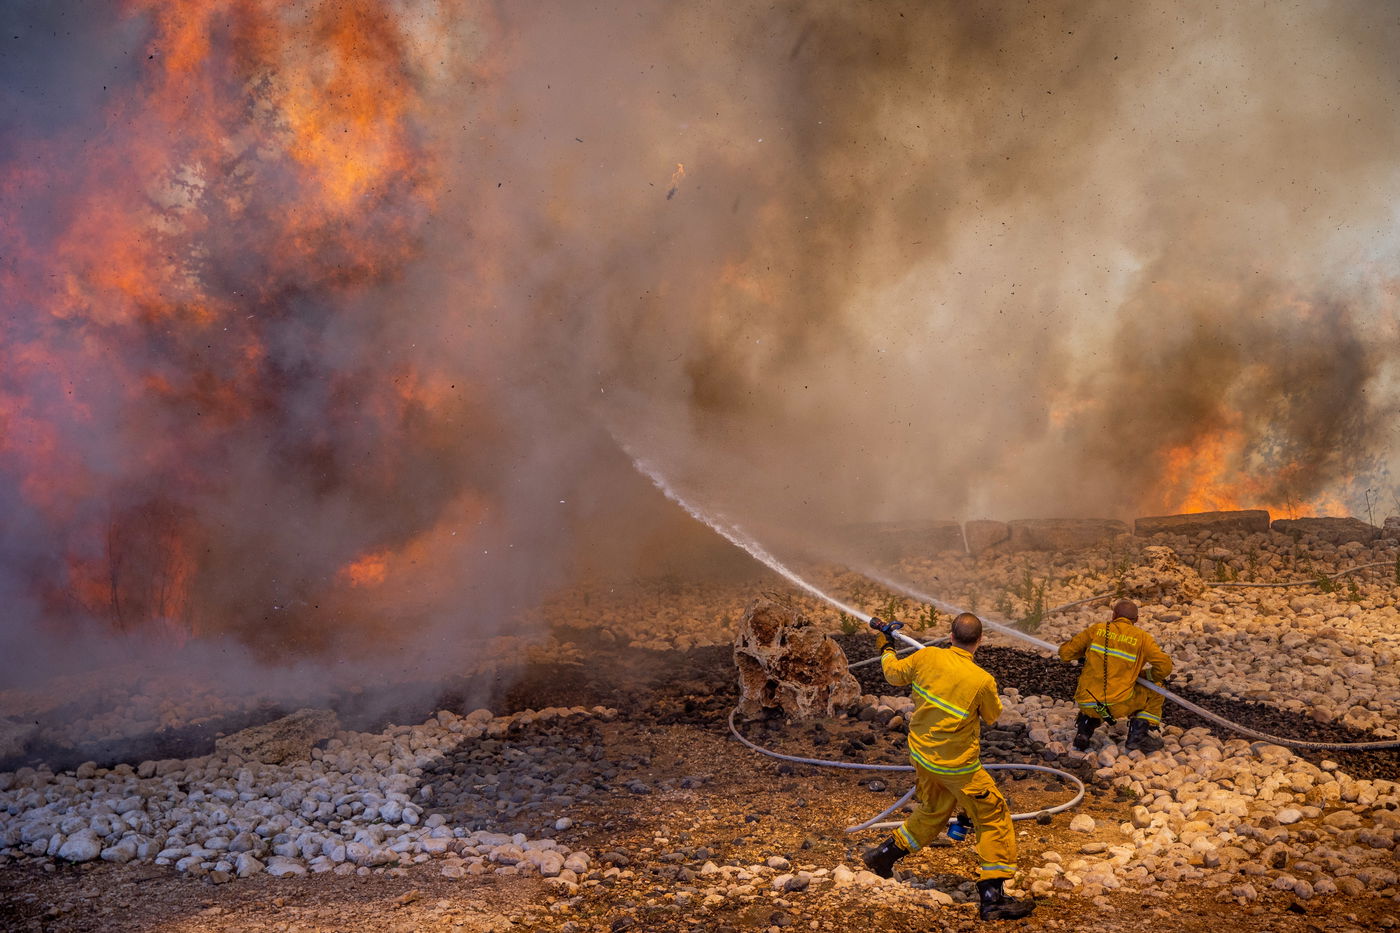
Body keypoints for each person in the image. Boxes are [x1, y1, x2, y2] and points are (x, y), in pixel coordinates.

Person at [862, 612, 1035, 922]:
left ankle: (883, 856)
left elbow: (892, 674)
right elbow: (993, 716)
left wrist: (886, 643)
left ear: (950, 636)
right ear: (980, 641)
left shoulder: (926, 656)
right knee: (994, 815)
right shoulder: (981, 680)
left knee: (931, 811)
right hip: (958, 768)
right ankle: (992, 897)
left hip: (922, 756)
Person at [1058, 598, 1173, 753]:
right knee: (1156, 690)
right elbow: (1165, 667)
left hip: (1086, 703)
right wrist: (1147, 675)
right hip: (1118, 705)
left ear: (1113, 615)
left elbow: (1065, 653)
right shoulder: (1142, 638)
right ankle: (1138, 737)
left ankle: (1084, 730)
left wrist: (1084, 653)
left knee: (1095, 689)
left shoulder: (1097, 629)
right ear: (1136, 620)